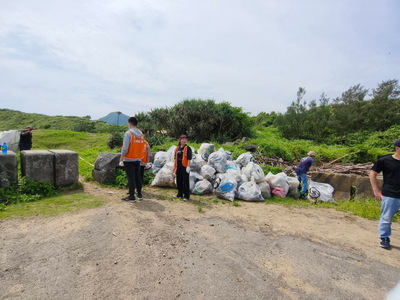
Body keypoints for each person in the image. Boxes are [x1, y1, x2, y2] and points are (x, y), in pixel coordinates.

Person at [369, 139, 400, 250]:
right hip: (390, 194)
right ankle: (384, 238)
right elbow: (373, 174)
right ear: (397, 148)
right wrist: (376, 190)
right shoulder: (384, 160)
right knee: (386, 218)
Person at [119, 117, 145, 202]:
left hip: (129, 159)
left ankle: (131, 196)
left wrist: (121, 159)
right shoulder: (141, 134)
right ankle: (140, 194)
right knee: (138, 177)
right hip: (138, 159)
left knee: (131, 178)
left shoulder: (128, 133)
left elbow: (125, 148)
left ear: (129, 123)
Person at [173, 135, 192, 201]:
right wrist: (175, 167)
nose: (184, 140)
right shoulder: (177, 148)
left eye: (185, 139)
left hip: (185, 166)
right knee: (179, 180)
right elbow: (175, 158)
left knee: (185, 181)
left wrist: (188, 166)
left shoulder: (188, 148)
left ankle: (186, 196)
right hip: (178, 166)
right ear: (180, 140)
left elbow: (189, 158)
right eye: (182, 139)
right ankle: (179, 193)